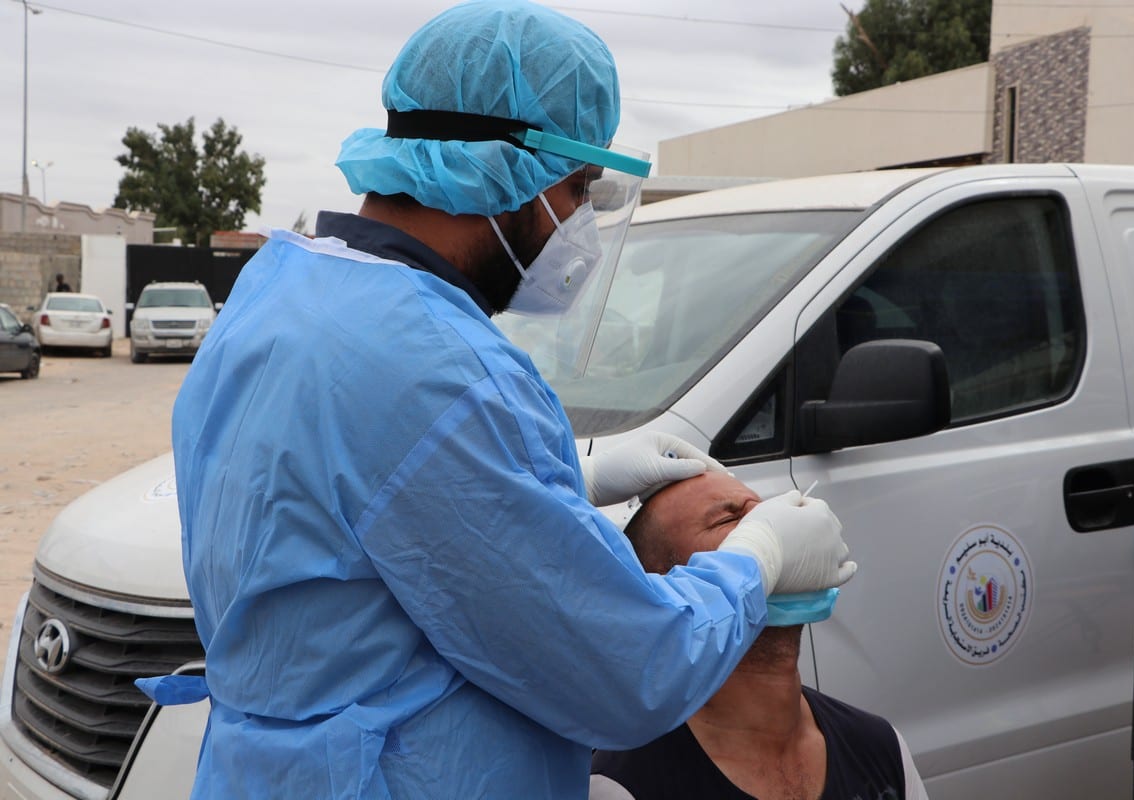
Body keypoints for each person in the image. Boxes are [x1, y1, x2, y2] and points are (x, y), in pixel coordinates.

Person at [140, 2, 855, 797]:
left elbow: (346, 510)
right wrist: (759, 559)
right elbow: (625, 674)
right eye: (577, 189)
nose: (582, 224)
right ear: (510, 167)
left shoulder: (279, 290)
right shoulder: (437, 366)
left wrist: (571, 477)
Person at [592, 471, 926, 800]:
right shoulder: (622, 786)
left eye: (766, 511)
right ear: (669, 589)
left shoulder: (881, 749)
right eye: (731, 520)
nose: (782, 530)